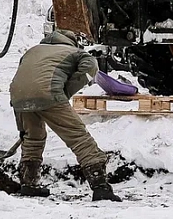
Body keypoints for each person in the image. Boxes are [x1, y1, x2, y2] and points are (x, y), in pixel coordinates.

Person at [9, 27, 121, 201]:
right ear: (72, 41)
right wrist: (66, 91)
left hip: (18, 95)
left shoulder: (33, 51)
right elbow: (91, 66)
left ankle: (29, 184)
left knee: (32, 138)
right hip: (48, 93)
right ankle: (101, 187)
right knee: (79, 138)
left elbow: (27, 75)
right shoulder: (75, 52)